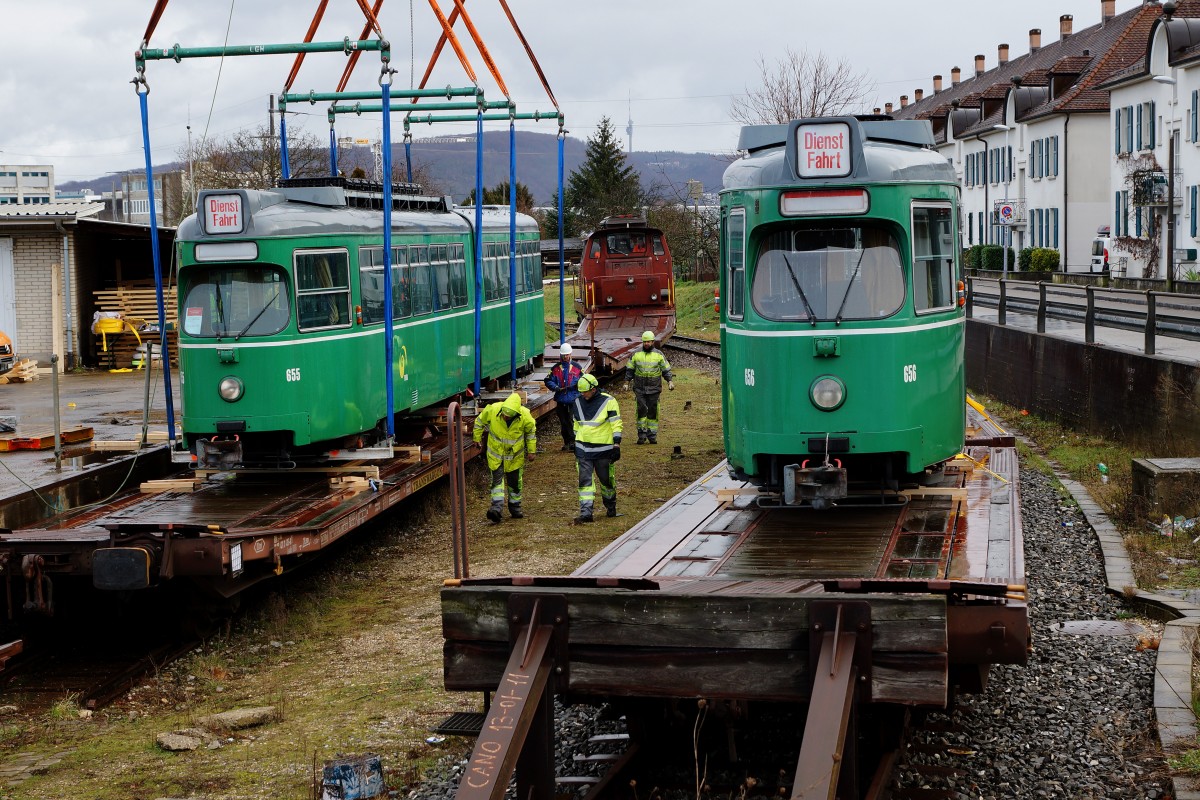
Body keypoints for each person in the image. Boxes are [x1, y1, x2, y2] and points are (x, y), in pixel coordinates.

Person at [472, 392, 537, 523]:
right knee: (497, 482)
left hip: (514, 457)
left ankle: (515, 507)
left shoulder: (525, 416)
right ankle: (496, 509)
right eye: (504, 415)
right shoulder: (494, 409)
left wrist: (532, 451)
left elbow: (530, 433)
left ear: (516, 414)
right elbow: (479, 422)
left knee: (515, 483)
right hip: (496, 455)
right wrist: (476, 437)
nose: (505, 417)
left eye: (508, 417)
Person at [570, 373, 621, 523]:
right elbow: (576, 424)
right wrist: (576, 442)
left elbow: (616, 423)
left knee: (606, 480)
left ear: (593, 389)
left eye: (585, 391)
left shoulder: (609, 401)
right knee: (584, 481)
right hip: (583, 449)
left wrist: (616, 444)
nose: (583, 394)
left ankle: (610, 506)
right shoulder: (578, 402)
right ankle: (586, 512)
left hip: (603, 450)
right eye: (581, 392)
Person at [625, 331, 674, 444]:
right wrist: (626, 382)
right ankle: (641, 435)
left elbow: (666, 369)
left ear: (652, 342)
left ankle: (652, 435)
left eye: (648, 341)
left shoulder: (659, 355)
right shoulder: (636, 354)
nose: (646, 343)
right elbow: (630, 369)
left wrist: (670, 381)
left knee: (653, 411)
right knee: (641, 410)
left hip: (654, 388)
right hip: (639, 388)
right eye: (645, 341)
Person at [543, 343, 583, 450]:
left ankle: (574, 442)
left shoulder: (577, 368)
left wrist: (577, 386)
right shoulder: (555, 369)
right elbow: (547, 380)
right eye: (564, 355)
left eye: (567, 355)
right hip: (561, 399)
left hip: (573, 399)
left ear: (570, 354)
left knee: (572, 421)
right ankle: (567, 442)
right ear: (561, 355)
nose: (566, 357)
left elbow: (584, 380)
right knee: (564, 422)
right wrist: (555, 387)